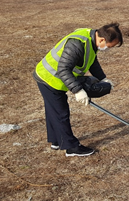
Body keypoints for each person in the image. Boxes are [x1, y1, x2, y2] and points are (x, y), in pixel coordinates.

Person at [33, 23, 123, 156]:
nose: (109, 49)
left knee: (53, 110)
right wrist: (78, 91)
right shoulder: (77, 44)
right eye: (111, 46)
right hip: (48, 77)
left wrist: (103, 78)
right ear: (102, 39)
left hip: (54, 78)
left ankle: (56, 141)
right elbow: (63, 69)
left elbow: (92, 61)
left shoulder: (91, 39)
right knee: (61, 113)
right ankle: (71, 147)